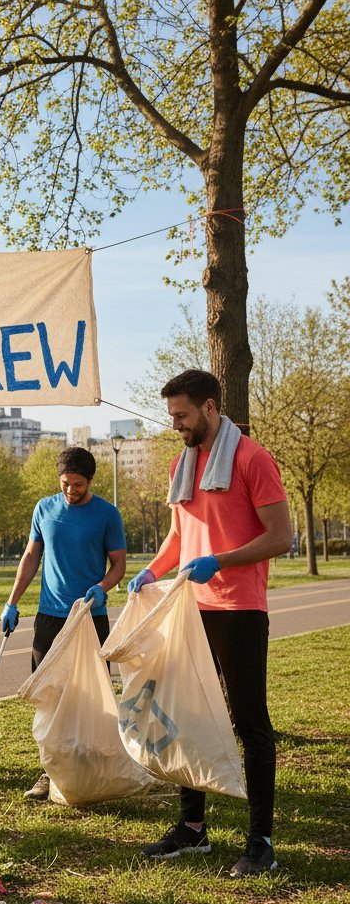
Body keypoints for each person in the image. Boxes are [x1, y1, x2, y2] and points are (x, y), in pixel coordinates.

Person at [129, 369, 291, 877]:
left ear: (210, 407)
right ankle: (192, 829)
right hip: (191, 607)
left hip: (239, 609)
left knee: (250, 723)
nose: (176, 424)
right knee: (188, 716)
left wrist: (220, 560)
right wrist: (153, 570)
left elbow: (281, 536)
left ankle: (261, 841)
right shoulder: (181, 464)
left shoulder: (252, 459)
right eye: (172, 416)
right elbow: (180, 536)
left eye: (182, 415)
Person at [1, 446, 127, 800]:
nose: (71, 490)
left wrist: (102, 588)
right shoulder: (44, 508)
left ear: (90, 481)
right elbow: (31, 557)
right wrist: (12, 601)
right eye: (65, 484)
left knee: (90, 696)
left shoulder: (107, 514)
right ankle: (49, 772)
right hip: (50, 617)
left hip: (89, 617)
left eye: (78, 485)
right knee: (49, 696)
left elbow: (119, 564)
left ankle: (88, 771)